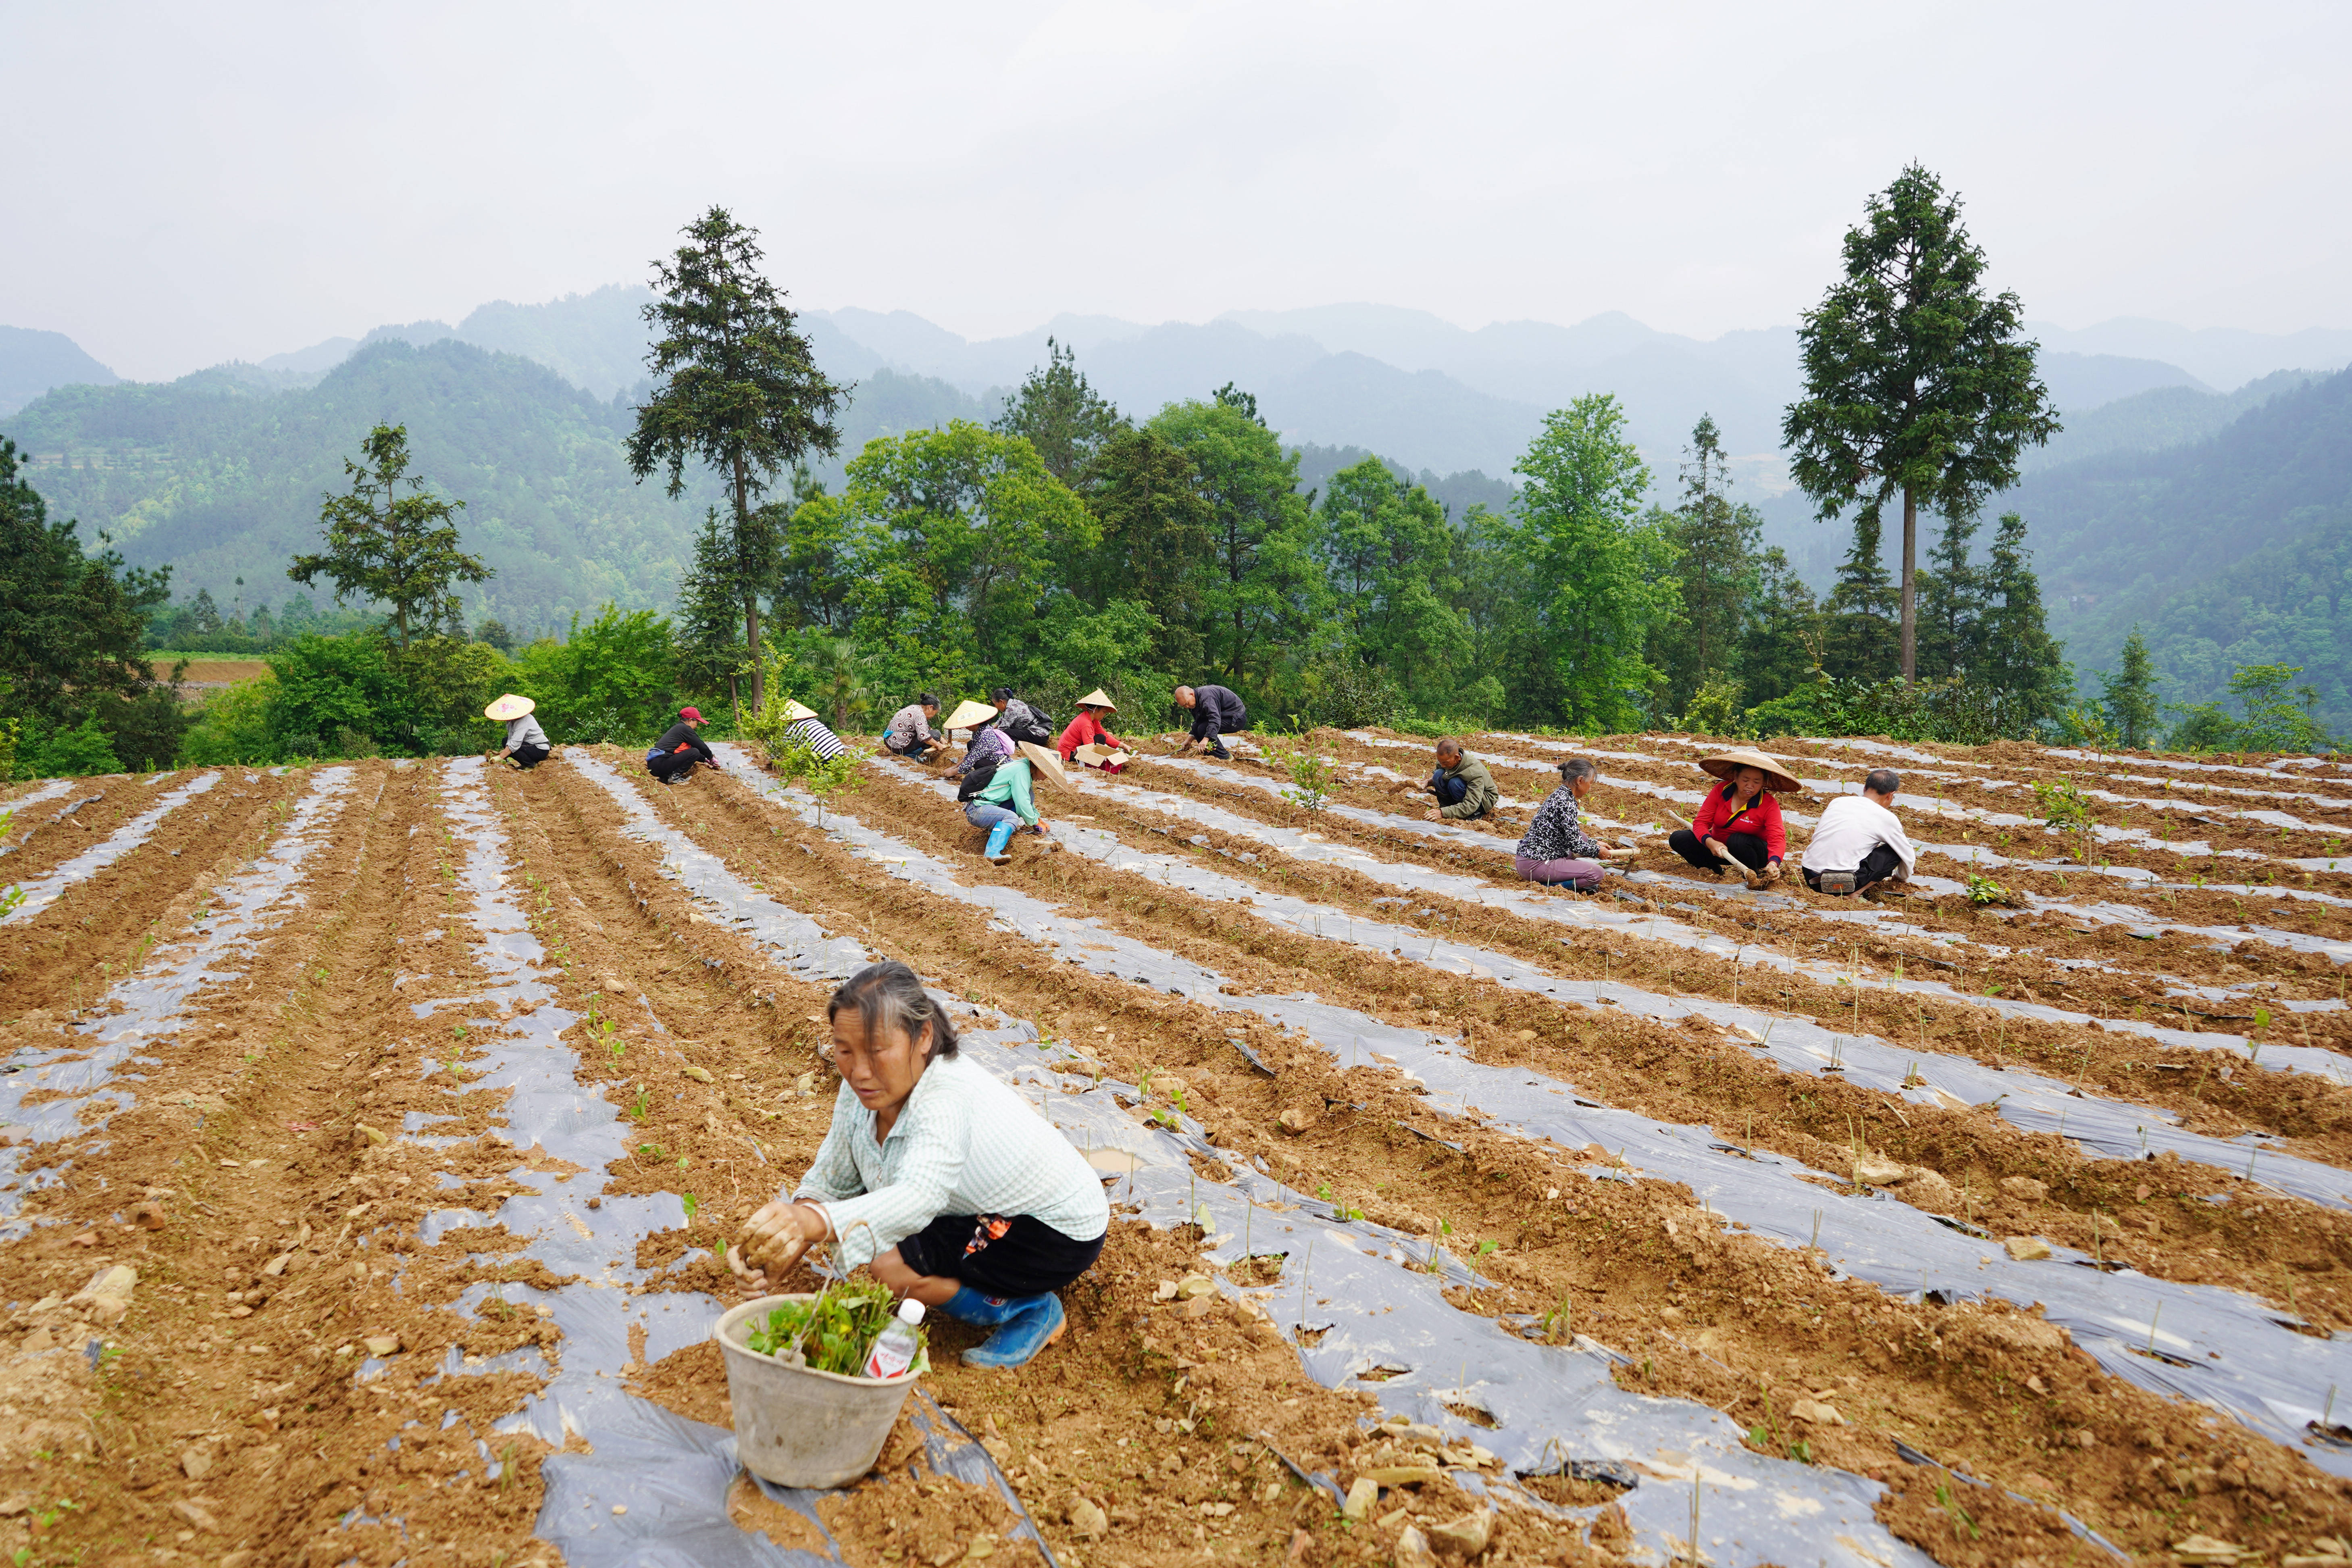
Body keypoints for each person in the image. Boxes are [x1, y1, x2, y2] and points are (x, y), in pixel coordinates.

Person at [734, 961, 1107, 1370]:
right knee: (864, 1227)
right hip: (969, 1204)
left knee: (886, 1264)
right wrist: (784, 1241)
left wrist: (810, 1222)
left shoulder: (945, 1096)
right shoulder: (862, 1089)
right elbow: (834, 1179)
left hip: (1048, 1230)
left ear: (923, 1036)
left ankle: (1026, 1309)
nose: (859, 1071)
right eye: (845, 1051)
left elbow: (918, 1197)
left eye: (877, 1051)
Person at [1668, 748, 1796, 888]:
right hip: (1720, 849)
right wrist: (1711, 842)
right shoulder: (1721, 791)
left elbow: (1777, 838)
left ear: (1763, 783)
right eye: (1745, 780)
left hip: (1753, 852)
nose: (1750, 786)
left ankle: (1752, 876)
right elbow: (1701, 823)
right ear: (1735, 777)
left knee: (1737, 840)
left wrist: (1773, 863)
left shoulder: (1769, 804)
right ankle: (1714, 870)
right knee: (1679, 838)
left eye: (1757, 782)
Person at [1513, 758, 1632, 890]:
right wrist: (1598, 851)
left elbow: (1572, 837)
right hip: (1537, 864)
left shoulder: (1560, 795)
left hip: (1527, 859)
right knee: (1596, 873)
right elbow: (1576, 845)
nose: (1590, 787)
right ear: (1580, 781)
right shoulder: (1566, 803)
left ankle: (1558, 872)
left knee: (1583, 837)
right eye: (1591, 783)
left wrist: (1594, 844)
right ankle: (1553, 887)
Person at [1801, 768, 1917, 897]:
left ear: (1865, 788)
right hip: (1840, 884)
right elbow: (1908, 855)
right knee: (1895, 851)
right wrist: (1900, 878)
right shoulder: (1886, 818)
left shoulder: (1838, 802)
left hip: (1810, 876)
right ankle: (1855, 893)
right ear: (1890, 795)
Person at [964, 740, 1064, 865]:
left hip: (989, 807)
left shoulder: (1024, 769)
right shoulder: (1021, 771)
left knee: (1030, 795)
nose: (1045, 779)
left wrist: (1038, 819)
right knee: (1012, 817)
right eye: (1046, 775)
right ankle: (991, 853)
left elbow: (1027, 800)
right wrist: (1033, 822)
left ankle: (996, 831)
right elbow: (1022, 803)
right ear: (1039, 768)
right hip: (977, 810)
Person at [1422, 739, 1498, 822]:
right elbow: (1441, 778)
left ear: (1457, 758)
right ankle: (1447, 807)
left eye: (1445, 763)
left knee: (1455, 783)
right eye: (1441, 762)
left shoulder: (1473, 772)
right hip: (1464, 790)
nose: (1443, 765)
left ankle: (1474, 815)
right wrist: (1427, 783)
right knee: (1438, 774)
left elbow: (1472, 804)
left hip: (1483, 800)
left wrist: (1442, 813)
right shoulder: (1446, 761)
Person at [1056, 689, 1129, 772]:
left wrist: (1124, 746)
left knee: (1101, 738)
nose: (1105, 715)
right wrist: (1103, 758)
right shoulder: (1086, 723)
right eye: (1104, 712)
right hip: (1069, 754)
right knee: (1099, 741)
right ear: (1096, 709)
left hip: (1076, 749)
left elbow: (1106, 736)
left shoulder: (1094, 721)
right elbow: (1089, 746)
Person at [1173, 684, 1249, 759]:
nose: (1187, 707)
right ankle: (1210, 754)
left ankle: (1225, 757)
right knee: (1196, 727)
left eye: (1187, 703)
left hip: (1237, 718)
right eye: (1184, 706)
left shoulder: (1207, 698)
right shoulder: (1195, 700)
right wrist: (1190, 739)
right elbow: (1199, 720)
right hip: (1224, 716)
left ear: (1192, 694)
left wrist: (1206, 739)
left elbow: (1215, 719)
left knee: (1203, 729)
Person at [645, 707, 715, 785]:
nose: (696, 726)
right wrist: (711, 758)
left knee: (692, 751)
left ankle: (665, 778)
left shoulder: (678, 728)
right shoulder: (685, 729)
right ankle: (675, 777)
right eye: (697, 722)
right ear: (690, 720)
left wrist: (705, 760)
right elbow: (700, 746)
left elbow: (687, 752)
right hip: (661, 764)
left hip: (654, 766)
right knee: (695, 752)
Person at [485, 693, 550, 770]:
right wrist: (503, 753)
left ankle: (530, 765)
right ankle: (527, 763)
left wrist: (499, 758)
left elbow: (515, 744)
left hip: (540, 749)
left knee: (513, 748)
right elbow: (511, 738)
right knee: (505, 741)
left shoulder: (523, 721)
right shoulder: (511, 721)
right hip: (530, 746)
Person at [777, 699, 847, 762]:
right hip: (840, 750)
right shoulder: (813, 721)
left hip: (828, 756)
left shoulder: (790, 730)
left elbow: (786, 751)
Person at [883, 696, 947, 762]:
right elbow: (924, 736)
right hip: (899, 746)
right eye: (935, 713)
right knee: (936, 734)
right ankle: (911, 756)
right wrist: (938, 745)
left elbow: (925, 727)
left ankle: (911, 754)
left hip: (891, 743)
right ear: (930, 708)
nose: (934, 715)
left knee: (935, 735)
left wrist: (941, 739)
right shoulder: (920, 715)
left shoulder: (915, 708)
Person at [986, 687, 1055, 746]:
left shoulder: (1011, 709)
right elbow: (1002, 719)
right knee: (1010, 729)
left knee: (1005, 733)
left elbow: (1001, 729)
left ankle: (1017, 746)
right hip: (1042, 733)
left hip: (1039, 736)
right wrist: (992, 728)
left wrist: (988, 734)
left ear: (1001, 702)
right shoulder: (1015, 702)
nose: (996, 707)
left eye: (995, 704)